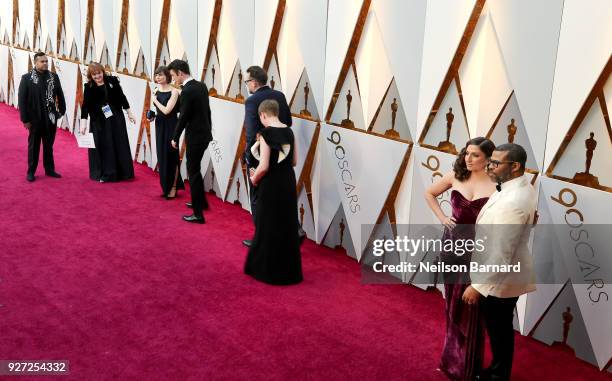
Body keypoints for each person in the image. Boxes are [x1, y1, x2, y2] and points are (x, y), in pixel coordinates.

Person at [462, 143, 537, 381]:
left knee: (499, 330)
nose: (489, 165)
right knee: (500, 328)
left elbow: (501, 252)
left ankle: (497, 376)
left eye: (496, 162)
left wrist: (478, 286)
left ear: (515, 167)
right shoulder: (518, 186)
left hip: (500, 280)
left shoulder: (514, 199)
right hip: (503, 275)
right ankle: (497, 371)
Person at [425, 137, 496, 381]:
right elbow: (430, 193)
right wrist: (444, 218)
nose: (468, 158)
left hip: (478, 250)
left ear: (488, 158)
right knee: (452, 305)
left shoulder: (497, 184)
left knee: (472, 307)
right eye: (467, 153)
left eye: (475, 155)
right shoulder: (456, 175)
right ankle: (451, 360)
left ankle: (469, 366)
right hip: (452, 247)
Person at [242, 65, 305, 247]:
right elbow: (289, 122)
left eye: (247, 82)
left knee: (258, 198)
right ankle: (295, 229)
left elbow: (251, 132)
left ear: (253, 82)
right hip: (283, 150)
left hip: (261, 152)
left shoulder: (252, 101)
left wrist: (249, 155)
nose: (247, 86)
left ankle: (261, 238)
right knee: (282, 197)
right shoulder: (280, 96)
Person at [244, 100, 302, 285]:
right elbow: (293, 161)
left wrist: (253, 180)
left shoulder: (267, 134)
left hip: (270, 184)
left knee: (267, 224)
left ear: (263, 115)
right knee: (286, 224)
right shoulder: (289, 132)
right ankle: (288, 272)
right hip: (287, 181)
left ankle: (266, 269)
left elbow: (264, 167)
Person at [168, 59, 212, 224]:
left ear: (180, 73)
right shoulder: (201, 86)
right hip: (205, 135)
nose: (173, 80)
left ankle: (198, 214)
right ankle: (200, 202)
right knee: (196, 169)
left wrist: (175, 136)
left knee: (192, 172)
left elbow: (183, 117)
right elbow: (207, 112)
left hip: (195, 137)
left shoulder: (187, 91)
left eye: (173, 76)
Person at [80, 62, 135, 182]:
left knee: (119, 143)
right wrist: (83, 123)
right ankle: (106, 174)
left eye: (99, 73)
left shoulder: (112, 81)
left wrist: (129, 112)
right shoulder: (88, 87)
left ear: (102, 72)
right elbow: (85, 106)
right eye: (94, 75)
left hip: (116, 118)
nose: (97, 77)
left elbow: (121, 96)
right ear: (90, 76)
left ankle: (123, 173)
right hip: (99, 121)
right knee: (104, 146)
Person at [18, 52, 66, 182]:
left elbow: (60, 95)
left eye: (46, 61)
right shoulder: (26, 78)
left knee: (48, 145)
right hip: (34, 120)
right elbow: (22, 101)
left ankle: (49, 169)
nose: (45, 63)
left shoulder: (53, 77)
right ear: (35, 62)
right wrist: (25, 119)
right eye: (42, 61)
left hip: (50, 118)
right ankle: (31, 171)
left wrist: (61, 111)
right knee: (33, 146)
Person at [149, 66, 184, 199]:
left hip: (171, 125)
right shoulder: (156, 90)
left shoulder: (174, 91)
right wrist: (151, 116)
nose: (158, 77)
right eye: (156, 75)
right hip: (159, 125)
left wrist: (154, 100)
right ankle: (166, 186)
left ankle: (174, 186)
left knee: (172, 156)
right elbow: (158, 111)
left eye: (161, 75)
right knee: (162, 156)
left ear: (168, 76)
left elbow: (167, 110)